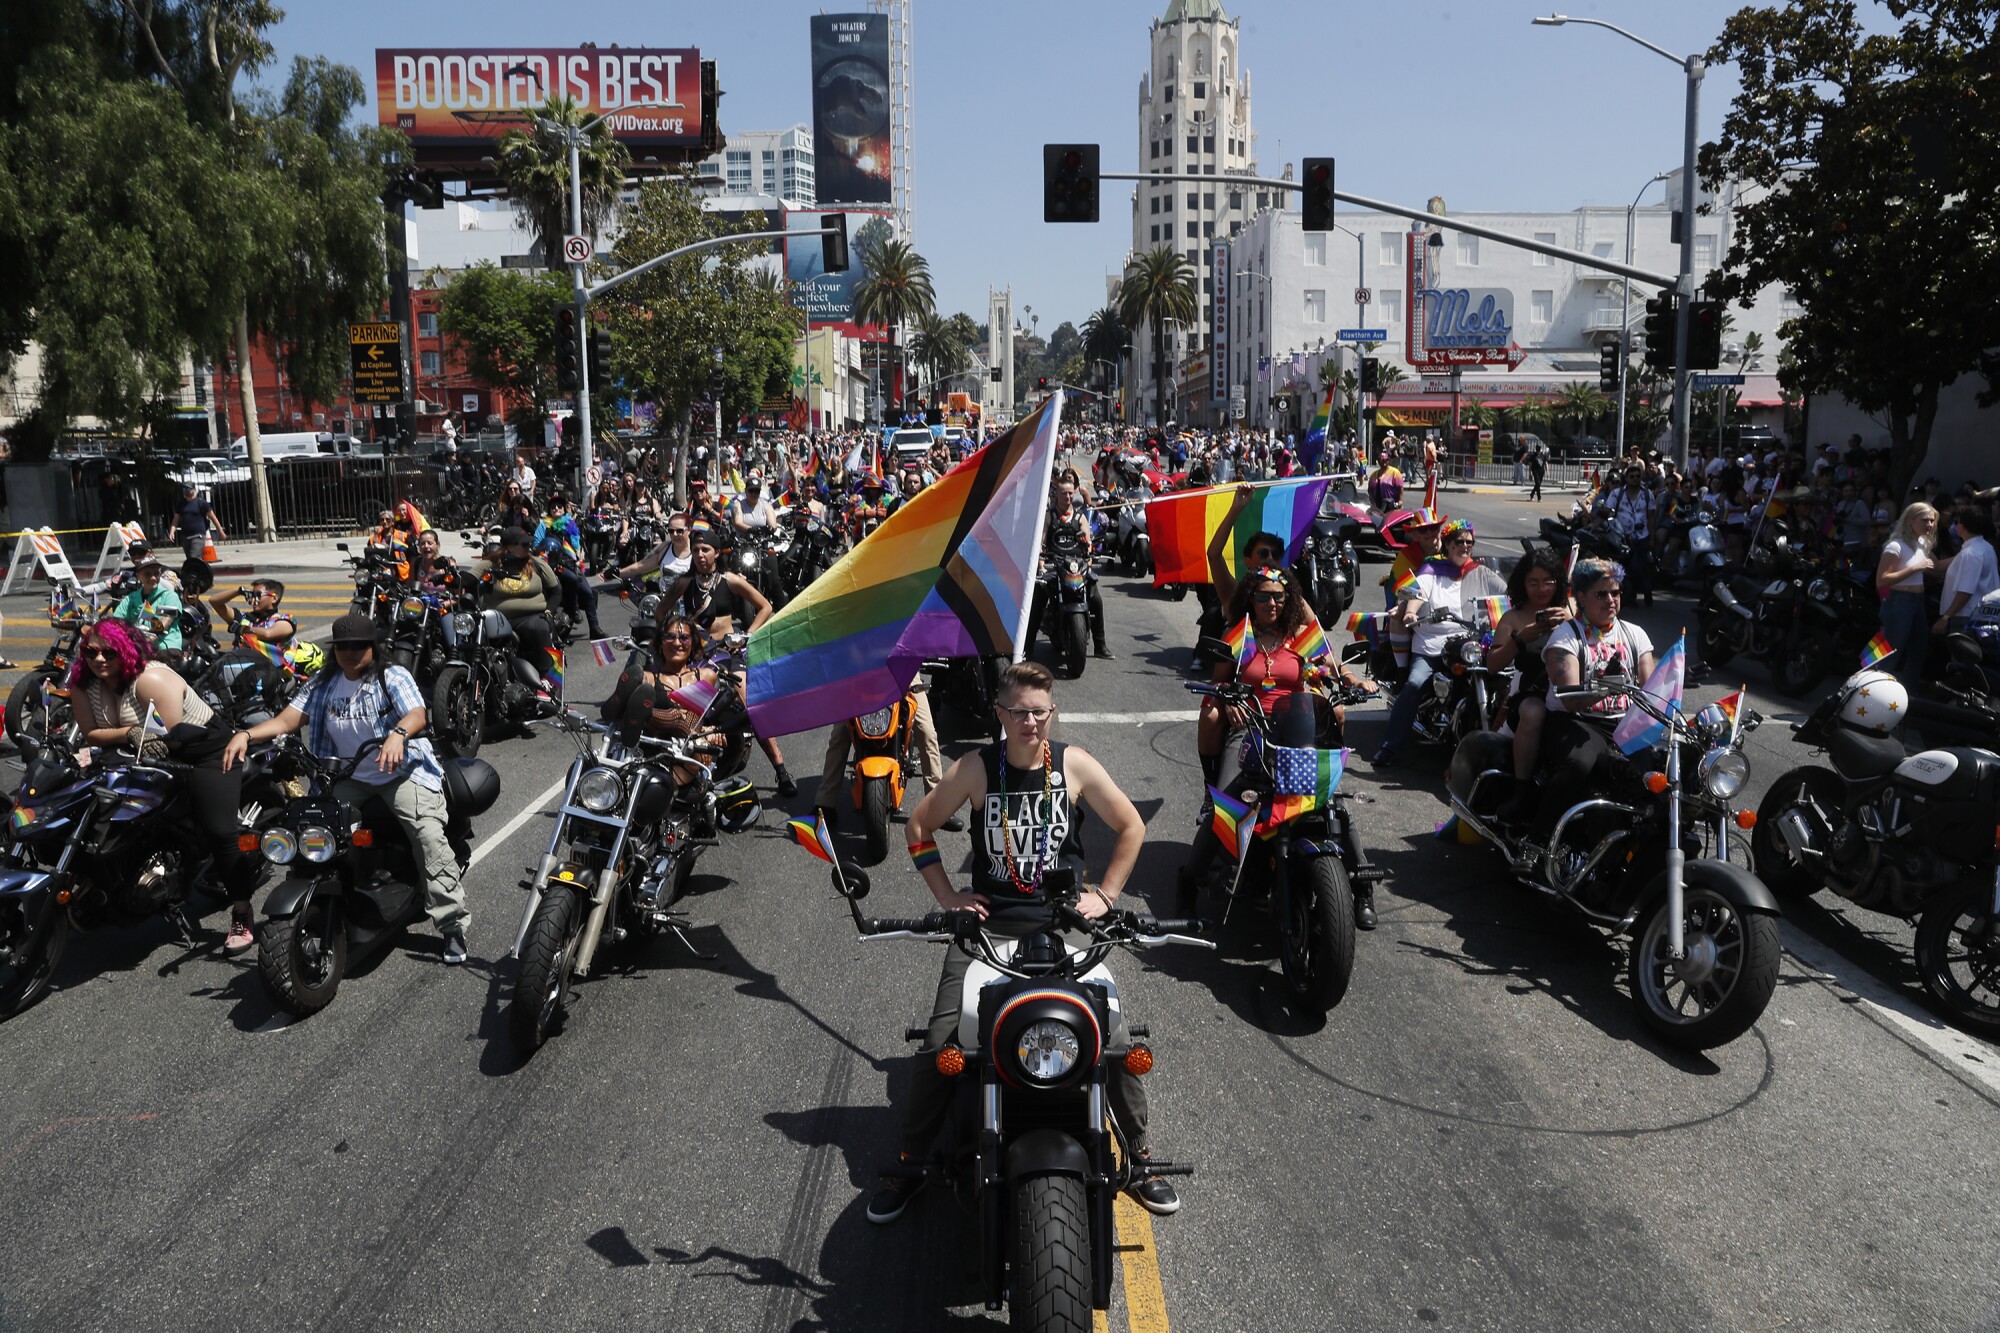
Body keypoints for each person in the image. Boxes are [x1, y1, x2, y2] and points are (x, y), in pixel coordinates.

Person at [869, 660, 1179, 1224]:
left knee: (1114, 1038)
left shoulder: (1074, 765)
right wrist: (949, 900)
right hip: (987, 928)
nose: (1030, 722)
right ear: (1000, 713)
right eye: (1018, 712)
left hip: (1063, 927)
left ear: (1052, 712)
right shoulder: (975, 769)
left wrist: (1106, 896)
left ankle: (1138, 1156)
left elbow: (1132, 826)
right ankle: (910, 1161)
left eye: (1039, 712)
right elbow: (918, 826)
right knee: (943, 1042)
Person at [223, 613, 469, 964]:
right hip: (347, 777)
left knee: (426, 834)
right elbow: (287, 720)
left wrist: (398, 735)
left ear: (373, 647)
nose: (351, 653)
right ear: (334, 650)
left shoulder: (390, 675)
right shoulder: (323, 683)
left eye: (359, 646)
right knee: (311, 831)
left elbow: (417, 713)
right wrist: (246, 734)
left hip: (400, 774)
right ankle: (332, 899)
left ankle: (451, 924)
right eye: (343, 647)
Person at [1180, 565, 1377, 925]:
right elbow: (1218, 683)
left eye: (1278, 596)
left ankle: (1362, 886)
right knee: (1228, 805)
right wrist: (1228, 701)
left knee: (1330, 803)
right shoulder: (1239, 636)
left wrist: (1352, 679)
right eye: (1262, 596)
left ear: (1289, 600)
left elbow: (1334, 668)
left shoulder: (1302, 635)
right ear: (1250, 599)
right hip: (1252, 728)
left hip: (1298, 729)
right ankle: (1188, 883)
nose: (1270, 603)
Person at [67, 617, 263, 950]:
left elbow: (170, 736)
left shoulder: (150, 679)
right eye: (90, 651)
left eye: (109, 652)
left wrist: (131, 738)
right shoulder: (83, 683)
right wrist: (129, 734)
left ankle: (242, 910)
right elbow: (90, 733)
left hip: (201, 752)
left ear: (126, 651)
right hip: (138, 754)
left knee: (220, 831)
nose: (99, 659)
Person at [662, 527, 797, 797]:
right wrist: (670, 636)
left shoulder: (730, 580)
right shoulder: (683, 584)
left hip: (728, 655)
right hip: (697, 656)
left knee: (749, 705)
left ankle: (781, 770)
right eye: (696, 549)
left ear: (716, 554)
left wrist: (747, 636)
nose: (700, 554)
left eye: (706, 550)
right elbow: (659, 611)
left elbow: (765, 606)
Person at [1370, 518, 1506, 767]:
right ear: (1448, 544)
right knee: (1413, 685)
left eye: (1469, 542)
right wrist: (1411, 611)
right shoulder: (1432, 570)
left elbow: (1510, 593)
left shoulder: (1480, 572)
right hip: (1432, 647)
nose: (1464, 546)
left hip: (1470, 646)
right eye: (1459, 542)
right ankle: (1388, 747)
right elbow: (1417, 591)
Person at [1535, 559, 1657, 830]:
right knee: (1580, 764)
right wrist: (1605, 684)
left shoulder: (1634, 634)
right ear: (1581, 597)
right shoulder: (1566, 637)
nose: (1611, 600)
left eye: (1615, 593)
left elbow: (1652, 692)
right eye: (1601, 594)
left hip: (1625, 724)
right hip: (1577, 722)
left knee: (1660, 772)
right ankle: (1538, 840)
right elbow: (1570, 700)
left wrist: (1676, 678)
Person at [1483, 547, 1572, 824]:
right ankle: (1520, 791)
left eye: (1548, 581)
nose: (1542, 589)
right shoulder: (1513, 618)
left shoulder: (1571, 610)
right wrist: (1521, 638)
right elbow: (1493, 664)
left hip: (1569, 690)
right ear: (1522, 583)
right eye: (1533, 582)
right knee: (1534, 712)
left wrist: (1572, 623)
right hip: (1530, 693)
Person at [598, 613, 728, 786]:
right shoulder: (648, 678)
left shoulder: (706, 676)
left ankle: (638, 713)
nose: (676, 643)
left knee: (678, 715)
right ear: (660, 642)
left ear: (693, 642)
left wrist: (712, 733)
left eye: (683, 637)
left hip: (688, 755)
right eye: (670, 637)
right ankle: (620, 708)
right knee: (646, 690)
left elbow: (711, 719)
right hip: (654, 751)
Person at [1028, 469, 1113, 661]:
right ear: (1056, 495)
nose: (1067, 497)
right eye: (1063, 493)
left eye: (1070, 493)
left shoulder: (1080, 517)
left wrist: (1089, 558)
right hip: (1054, 564)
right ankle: (1027, 649)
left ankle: (1100, 645)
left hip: (1077, 566)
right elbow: (1041, 541)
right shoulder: (1050, 517)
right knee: (1037, 599)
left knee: (1097, 600)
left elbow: (1089, 543)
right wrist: (1041, 563)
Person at [481, 527, 561, 686]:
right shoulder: (491, 563)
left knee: (538, 628)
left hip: (531, 617)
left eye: (528, 544)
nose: (528, 548)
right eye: (524, 545)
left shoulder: (537, 564)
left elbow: (556, 590)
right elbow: (469, 577)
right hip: (498, 618)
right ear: (509, 547)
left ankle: (547, 680)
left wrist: (549, 612)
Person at [1876, 502, 1938, 684]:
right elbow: (1882, 581)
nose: (1930, 525)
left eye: (1932, 521)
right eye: (1925, 520)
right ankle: (1868, 692)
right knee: (1889, 653)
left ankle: (1908, 693)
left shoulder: (1922, 544)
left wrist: (1965, 553)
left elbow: (1938, 567)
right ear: (1910, 520)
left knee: (1919, 650)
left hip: (1917, 602)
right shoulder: (1895, 546)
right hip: (1899, 601)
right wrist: (1915, 569)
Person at [534, 493, 606, 641]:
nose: (556, 509)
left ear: (564, 509)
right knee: (568, 582)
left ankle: (595, 628)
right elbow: (536, 544)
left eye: (559, 506)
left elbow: (576, 545)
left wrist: (579, 556)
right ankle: (571, 611)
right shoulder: (543, 525)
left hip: (569, 563)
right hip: (550, 565)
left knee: (587, 592)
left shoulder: (570, 524)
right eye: (553, 507)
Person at [1935, 507, 1998, 637]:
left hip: (1967, 617)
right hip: (1982, 615)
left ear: (1962, 526)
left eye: (1957, 522)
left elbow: (1965, 592)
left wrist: (1945, 618)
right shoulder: (1985, 547)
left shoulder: (1970, 554)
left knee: (1962, 657)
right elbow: (1938, 566)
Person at [1604, 469, 1657, 607]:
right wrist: (1594, 524)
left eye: (1638, 476)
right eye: (1632, 476)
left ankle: (1647, 589)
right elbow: (1607, 511)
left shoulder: (1647, 494)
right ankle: (1630, 597)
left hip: (1642, 537)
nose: (1635, 479)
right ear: (1626, 478)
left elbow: (1651, 517)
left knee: (1637, 567)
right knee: (1625, 569)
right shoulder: (1617, 494)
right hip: (1622, 538)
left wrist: (1652, 538)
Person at [113, 558, 184, 653]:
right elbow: (116, 622)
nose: (153, 577)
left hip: (164, 647)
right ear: (138, 576)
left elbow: (162, 625)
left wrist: (145, 641)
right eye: (148, 574)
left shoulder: (170, 596)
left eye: (156, 573)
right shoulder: (131, 598)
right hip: (137, 647)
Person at [206, 578, 296, 649]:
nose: (253, 599)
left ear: (274, 598)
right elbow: (214, 602)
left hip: (267, 670)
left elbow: (267, 634)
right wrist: (239, 591)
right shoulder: (243, 617)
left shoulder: (285, 620)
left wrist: (241, 629)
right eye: (252, 595)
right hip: (237, 667)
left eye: (258, 595)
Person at [616, 513, 694, 588]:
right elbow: (640, 566)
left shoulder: (697, 551)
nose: (675, 534)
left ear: (689, 529)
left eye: (679, 531)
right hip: (665, 599)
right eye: (671, 531)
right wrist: (617, 573)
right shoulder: (664, 548)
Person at [166, 483, 225, 564]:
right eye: (184, 489)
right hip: (185, 536)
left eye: (188, 489)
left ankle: (195, 575)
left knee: (194, 558)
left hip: (198, 535)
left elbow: (213, 518)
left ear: (194, 489)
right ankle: (199, 573)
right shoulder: (181, 504)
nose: (186, 491)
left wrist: (220, 531)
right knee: (190, 559)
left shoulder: (201, 503)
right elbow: (176, 519)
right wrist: (172, 532)